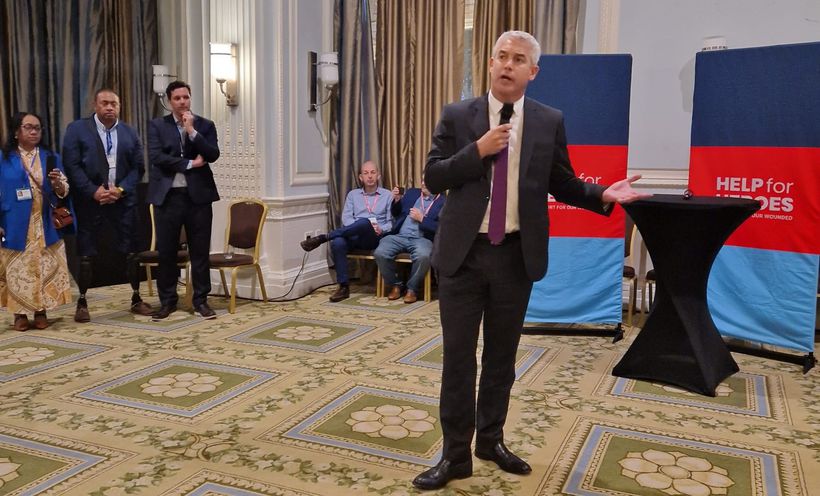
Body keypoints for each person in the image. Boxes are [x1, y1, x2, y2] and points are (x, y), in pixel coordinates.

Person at [413, 31, 650, 491]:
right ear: (489, 63)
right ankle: (455, 456)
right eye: (500, 56)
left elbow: (561, 181)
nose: (507, 64)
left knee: (502, 358)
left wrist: (601, 193)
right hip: (462, 257)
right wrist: (477, 150)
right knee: (459, 360)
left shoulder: (547, 120)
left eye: (518, 59)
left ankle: (490, 440)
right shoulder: (458, 115)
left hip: (515, 257)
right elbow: (433, 175)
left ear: (532, 72)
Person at [62, 88, 153, 322]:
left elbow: (138, 168)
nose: (110, 107)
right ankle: (82, 302)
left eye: (114, 103)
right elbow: (71, 166)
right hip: (90, 202)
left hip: (122, 201)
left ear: (120, 106)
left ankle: (136, 297)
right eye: (105, 103)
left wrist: (120, 190)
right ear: (95, 105)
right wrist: (93, 191)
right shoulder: (77, 130)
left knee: (132, 251)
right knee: (86, 252)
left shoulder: (129, 132)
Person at [147, 80, 220, 320]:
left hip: (198, 198)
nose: (182, 102)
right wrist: (190, 163)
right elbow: (157, 157)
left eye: (186, 97)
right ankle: (167, 302)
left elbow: (212, 154)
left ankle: (200, 300)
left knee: (200, 251)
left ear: (190, 98)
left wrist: (192, 131)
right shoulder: (157, 125)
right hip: (168, 197)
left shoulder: (205, 125)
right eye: (177, 98)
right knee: (166, 251)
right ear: (169, 101)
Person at [0, 112, 74, 331]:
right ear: (16, 132)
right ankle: (20, 314)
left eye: (38, 128)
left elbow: (64, 192)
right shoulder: (4, 159)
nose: (34, 132)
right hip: (14, 223)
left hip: (45, 223)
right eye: (28, 127)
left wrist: (57, 184)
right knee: (19, 269)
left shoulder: (51, 157)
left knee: (45, 266)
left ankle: (41, 310)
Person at [300, 161, 392, 302]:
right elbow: (347, 218)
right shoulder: (353, 195)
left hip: (374, 237)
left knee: (364, 222)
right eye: (366, 173)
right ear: (361, 177)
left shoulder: (387, 195)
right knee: (338, 242)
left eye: (373, 172)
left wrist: (381, 228)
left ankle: (324, 237)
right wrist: (356, 228)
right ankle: (343, 286)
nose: (370, 176)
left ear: (378, 175)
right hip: (354, 235)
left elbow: (391, 222)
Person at [374, 179, 444, 303]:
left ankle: (412, 289)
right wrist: (396, 200)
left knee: (424, 256)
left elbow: (442, 228)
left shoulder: (443, 201)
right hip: (400, 235)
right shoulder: (412, 193)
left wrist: (422, 219)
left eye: (427, 181)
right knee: (380, 252)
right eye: (423, 180)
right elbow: (396, 213)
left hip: (422, 239)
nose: (423, 183)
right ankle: (396, 285)